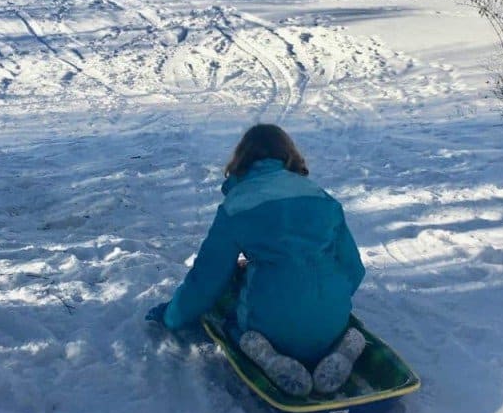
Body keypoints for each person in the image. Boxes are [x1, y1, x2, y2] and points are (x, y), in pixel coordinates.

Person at [146, 124, 367, 396]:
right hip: (331, 321)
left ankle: (267, 356)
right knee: (327, 322)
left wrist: (172, 315)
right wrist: (323, 298)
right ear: (289, 156)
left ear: (241, 160)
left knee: (235, 324)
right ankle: (346, 346)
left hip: (271, 325)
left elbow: (206, 280)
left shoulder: (237, 206)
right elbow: (353, 269)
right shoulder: (322, 198)